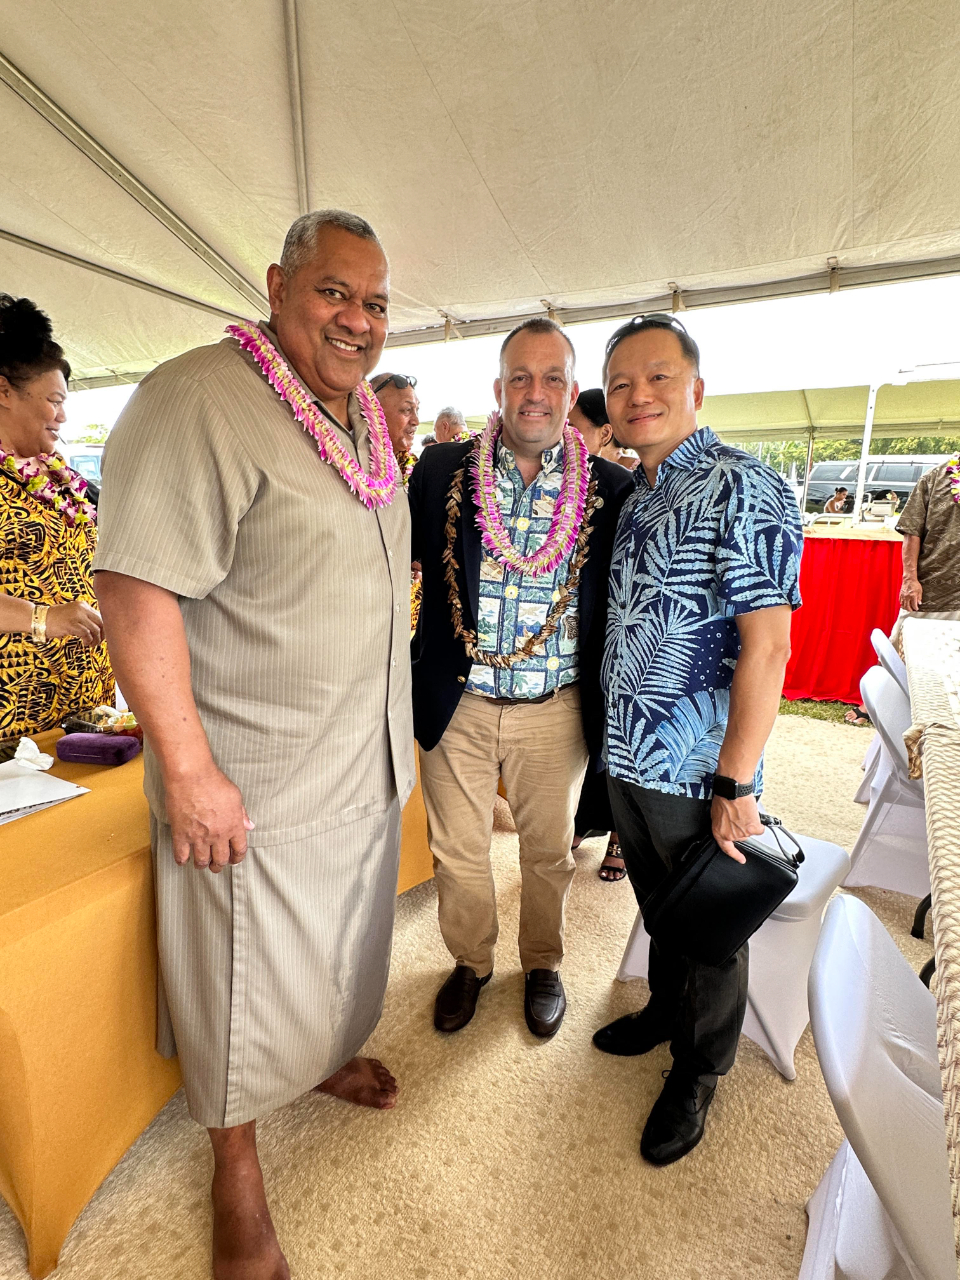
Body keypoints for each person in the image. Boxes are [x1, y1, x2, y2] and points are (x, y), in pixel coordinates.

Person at [94, 209, 414, 1280]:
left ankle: (315, 1058)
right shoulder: (197, 398)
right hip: (255, 775)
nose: (357, 318)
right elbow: (135, 588)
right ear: (278, 286)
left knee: (336, 951)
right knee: (239, 977)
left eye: (374, 301)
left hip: (357, 756)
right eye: (334, 291)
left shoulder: (365, 417)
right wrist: (187, 770)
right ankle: (237, 1175)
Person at [593, 313, 802, 1167]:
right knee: (661, 906)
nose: (638, 396)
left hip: (698, 765)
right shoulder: (639, 490)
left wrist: (736, 783)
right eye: (620, 385)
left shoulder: (742, 484)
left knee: (712, 927)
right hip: (628, 754)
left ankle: (701, 1067)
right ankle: (663, 1013)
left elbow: (770, 645)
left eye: (657, 378)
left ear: (696, 389)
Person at [409, 318, 634, 1039]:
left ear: (570, 392)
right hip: (458, 700)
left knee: (548, 851)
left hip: (555, 707)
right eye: (519, 377)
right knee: (458, 851)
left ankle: (543, 963)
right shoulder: (441, 470)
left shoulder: (612, 489)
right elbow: (390, 574)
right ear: (498, 388)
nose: (534, 393)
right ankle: (470, 963)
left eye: (551, 379)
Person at [0, 295, 113, 738]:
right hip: (12, 732)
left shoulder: (62, 479)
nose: (63, 417)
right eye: (53, 400)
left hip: (86, 715)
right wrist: (42, 617)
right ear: (4, 390)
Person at [567, 387, 629, 882]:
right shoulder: (551, 482)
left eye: (576, 426)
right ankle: (583, 822)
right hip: (574, 638)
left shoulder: (622, 488)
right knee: (580, 736)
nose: (565, 434)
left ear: (603, 432)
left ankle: (618, 838)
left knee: (610, 736)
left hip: (614, 637)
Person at [894, 455, 960, 637]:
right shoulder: (935, 478)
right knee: (904, 655)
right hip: (935, 594)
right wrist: (909, 579)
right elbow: (912, 530)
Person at [372, 372, 420, 482]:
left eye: (417, 410)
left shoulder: (417, 471)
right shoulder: (353, 464)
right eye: (407, 409)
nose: (416, 421)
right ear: (375, 412)